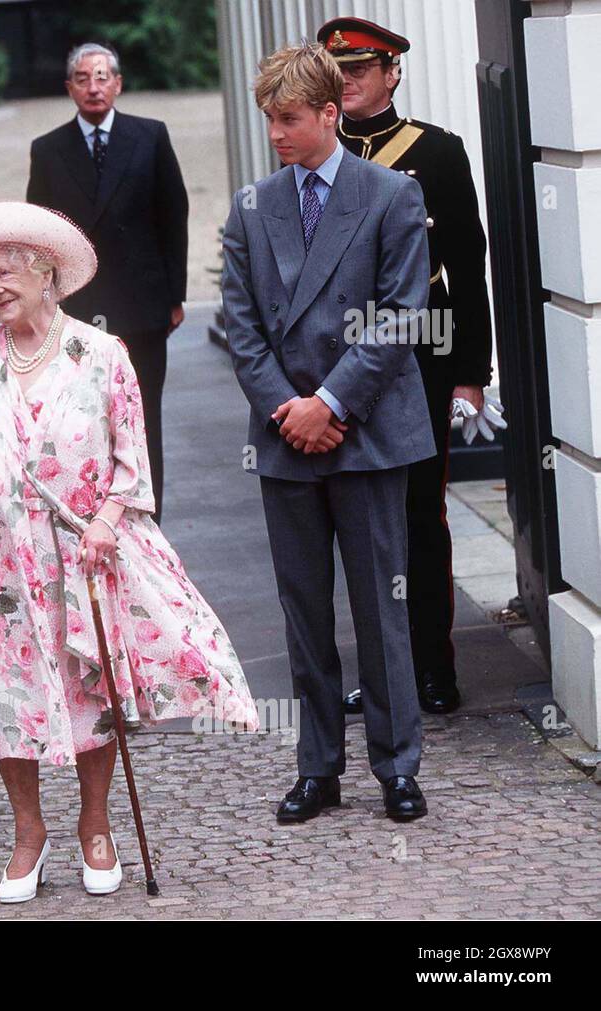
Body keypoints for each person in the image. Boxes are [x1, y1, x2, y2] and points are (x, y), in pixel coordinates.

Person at [0, 202, 259, 903]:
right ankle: (28, 834)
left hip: (80, 558)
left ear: (45, 271)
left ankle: (95, 823)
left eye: (5, 272)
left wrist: (108, 521)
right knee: (3, 694)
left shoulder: (101, 354)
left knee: (90, 690)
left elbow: (131, 466)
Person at [221, 43, 436, 824]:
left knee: (384, 606)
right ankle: (319, 766)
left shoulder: (390, 196)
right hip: (286, 437)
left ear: (329, 113)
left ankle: (397, 764)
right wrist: (291, 408)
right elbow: (241, 329)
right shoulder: (252, 206)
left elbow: (400, 312)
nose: (275, 133)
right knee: (303, 609)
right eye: (269, 119)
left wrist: (333, 405)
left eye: (288, 119)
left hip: (369, 431)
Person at [317, 16, 496, 716]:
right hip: (343, 361)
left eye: (360, 70)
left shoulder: (436, 152)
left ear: (391, 73)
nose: (349, 82)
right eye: (338, 74)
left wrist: (470, 373)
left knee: (420, 512)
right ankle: (385, 672)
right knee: (361, 519)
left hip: (422, 354)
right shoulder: (318, 154)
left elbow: (469, 268)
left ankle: (433, 669)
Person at [26, 42, 189, 525]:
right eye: (83, 77)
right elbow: (41, 232)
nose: (93, 86)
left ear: (117, 83)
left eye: (102, 76)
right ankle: (89, 515)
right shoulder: (48, 149)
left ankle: (145, 518)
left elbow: (172, 215)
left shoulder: (150, 136)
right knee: (83, 417)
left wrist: (174, 296)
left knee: (142, 416)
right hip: (77, 307)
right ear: (69, 87)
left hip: (142, 305)